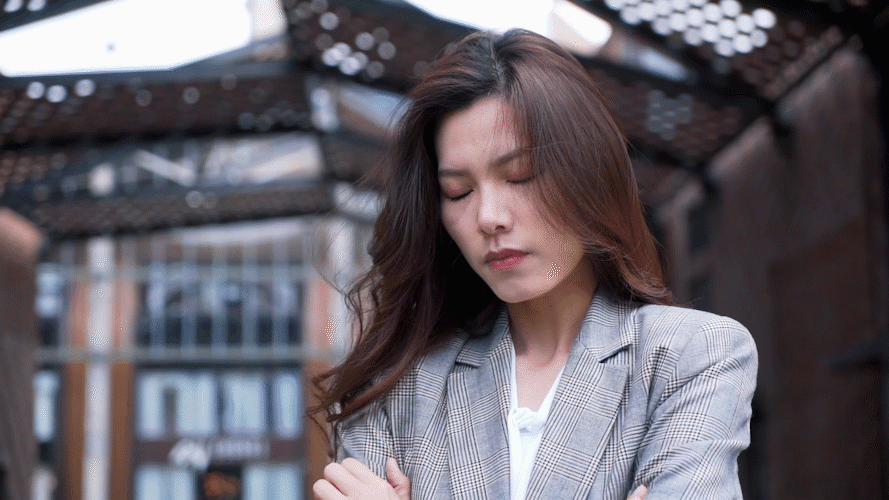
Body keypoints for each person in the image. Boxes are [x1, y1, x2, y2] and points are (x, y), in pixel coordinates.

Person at [311, 28, 757, 500]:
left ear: (587, 172)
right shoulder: (397, 391)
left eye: (520, 175)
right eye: (458, 192)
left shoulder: (693, 355)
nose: (489, 218)